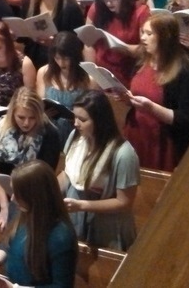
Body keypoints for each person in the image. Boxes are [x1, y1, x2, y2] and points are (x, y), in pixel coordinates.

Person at [121, 13, 189, 171]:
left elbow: (187, 120)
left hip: (163, 144)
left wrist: (151, 108)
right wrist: (126, 99)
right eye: (142, 32)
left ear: (165, 38)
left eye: (149, 34)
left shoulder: (186, 73)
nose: (143, 38)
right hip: (137, 135)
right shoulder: (141, 63)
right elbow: (137, 97)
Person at [59, 90, 139, 251]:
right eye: (75, 117)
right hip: (76, 218)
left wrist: (82, 205)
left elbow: (124, 202)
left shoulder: (123, 153)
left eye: (82, 119)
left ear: (99, 121)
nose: (75, 123)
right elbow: (67, 175)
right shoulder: (75, 136)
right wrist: (45, 192)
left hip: (107, 228)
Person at [0, 160, 78, 287]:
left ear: (34, 196)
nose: (12, 199)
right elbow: (8, 242)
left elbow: (62, 286)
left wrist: (12, 287)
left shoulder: (61, 236)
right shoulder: (23, 213)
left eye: (18, 194)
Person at [0, 88, 63, 230]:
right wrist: (4, 207)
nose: (26, 123)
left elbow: (44, 176)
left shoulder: (49, 133)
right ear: (13, 113)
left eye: (32, 118)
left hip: (34, 198)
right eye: (21, 117)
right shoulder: (2, 127)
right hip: (6, 196)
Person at [85, 0, 148, 85]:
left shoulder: (140, 12)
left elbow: (146, 49)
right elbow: (88, 43)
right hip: (101, 72)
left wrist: (122, 48)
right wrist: (92, 73)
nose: (109, 3)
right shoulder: (98, 7)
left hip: (128, 72)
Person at [36, 31, 91, 141]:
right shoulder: (43, 72)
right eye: (57, 58)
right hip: (48, 130)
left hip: (76, 134)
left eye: (65, 59)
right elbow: (38, 103)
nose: (61, 63)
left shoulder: (88, 79)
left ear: (74, 56)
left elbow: (93, 115)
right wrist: (43, 114)